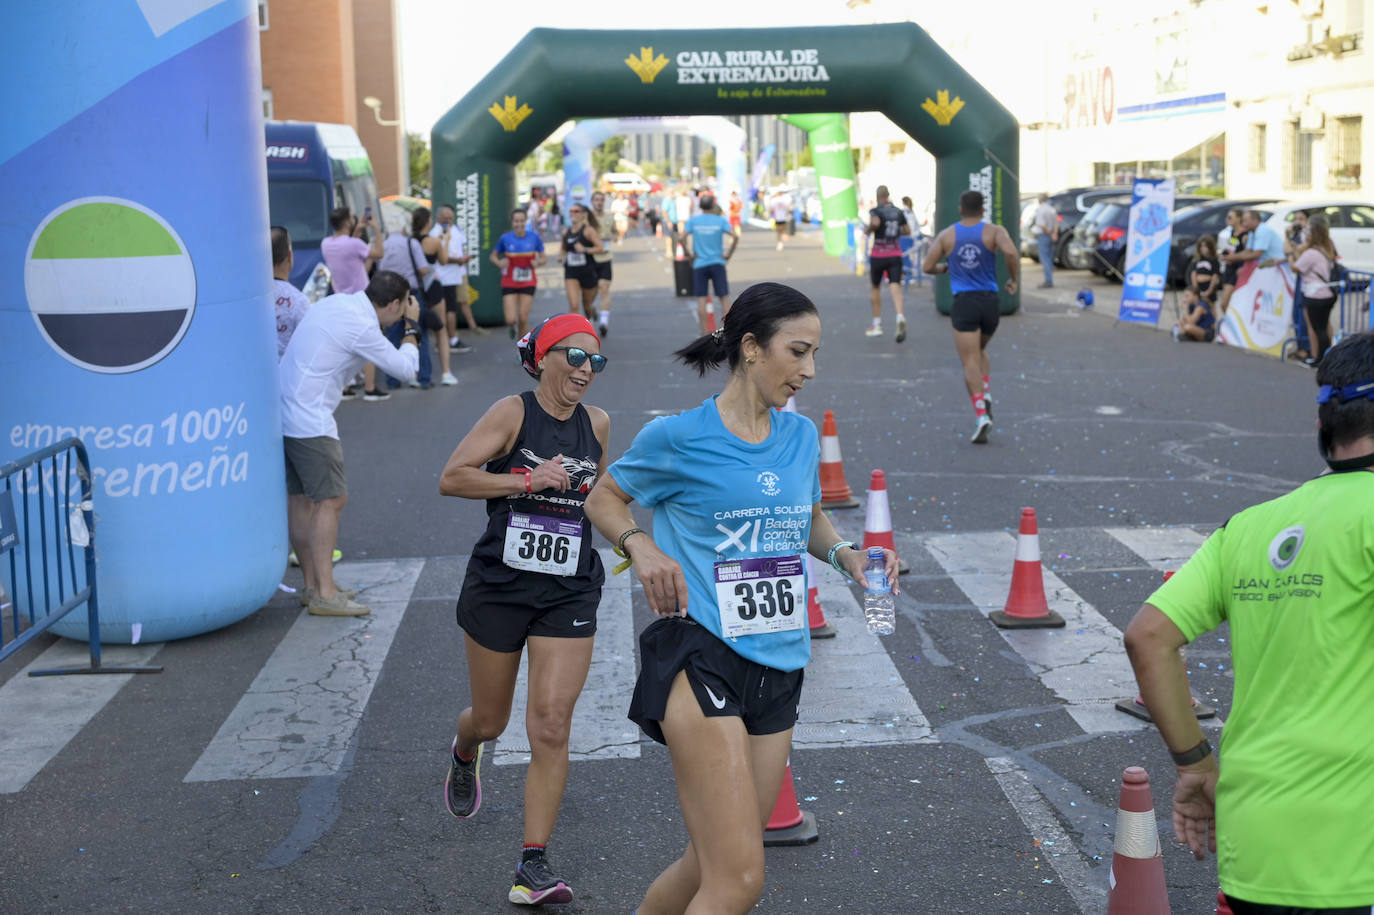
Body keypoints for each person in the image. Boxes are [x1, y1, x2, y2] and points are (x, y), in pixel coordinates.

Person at [583, 283, 899, 914]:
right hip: (701, 652)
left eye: (815, 354)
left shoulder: (801, 436)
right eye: (798, 352)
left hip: (780, 661)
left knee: (709, 863)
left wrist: (848, 558)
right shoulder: (679, 437)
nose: (809, 370)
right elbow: (603, 496)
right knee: (739, 881)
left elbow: (805, 519)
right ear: (751, 348)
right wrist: (640, 547)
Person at [1123, 330, 1374, 915]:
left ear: (1322, 430)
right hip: (1356, 849)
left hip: (1256, 838)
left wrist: (1195, 764)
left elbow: (1148, 636)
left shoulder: (1250, 526)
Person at [436, 314, 609, 908]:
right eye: (576, 357)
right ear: (544, 357)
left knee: (552, 724)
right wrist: (526, 480)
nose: (586, 371)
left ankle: (531, 864)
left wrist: (642, 540)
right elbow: (452, 479)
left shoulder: (599, 425)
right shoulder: (513, 413)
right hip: (502, 585)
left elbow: (600, 499)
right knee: (491, 722)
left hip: (568, 586)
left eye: (596, 361)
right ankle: (465, 749)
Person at [279, 271, 420, 616]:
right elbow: (405, 369)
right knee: (331, 499)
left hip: (284, 411)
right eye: (401, 312)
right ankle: (325, 594)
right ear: (394, 303)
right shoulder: (363, 326)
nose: (399, 318)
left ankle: (313, 586)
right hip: (310, 419)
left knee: (302, 500)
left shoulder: (337, 301)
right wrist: (412, 328)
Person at [922, 190, 1019, 445]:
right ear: (983, 208)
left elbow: (926, 266)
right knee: (979, 351)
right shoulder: (995, 231)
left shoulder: (947, 235)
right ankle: (985, 390)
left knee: (969, 361)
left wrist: (945, 267)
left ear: (960, 208)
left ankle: (980, 415)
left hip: (965, 302)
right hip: (990, 303)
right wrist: (1013, 279)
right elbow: (1011, 253)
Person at [378, 207, 456, 388]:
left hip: (389, 293)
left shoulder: (386, 244)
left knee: (392, 335)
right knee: (419, 332)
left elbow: (380, 269)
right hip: (411, 293)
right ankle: (424, 377)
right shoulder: (410, 244)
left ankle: (392, 379)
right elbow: (423, 269)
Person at [680, 194, 739, 335]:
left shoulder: (694, 221)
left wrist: (689, 255)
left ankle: (704, 332)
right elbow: (735, 236)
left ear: (700, 206)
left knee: (702, 298)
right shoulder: (720, 220)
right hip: (717, 262)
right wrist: (729, 253)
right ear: (713, 206)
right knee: (724, 297)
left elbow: (681, 238)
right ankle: (728, 331)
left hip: (699, 263)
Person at [431, 205, 484, 350]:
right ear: (438, 218)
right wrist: (458, 260)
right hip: (443, 276)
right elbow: (441, 257)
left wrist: (462, 258)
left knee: (451, 308)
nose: (448, 221)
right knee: (449, 310)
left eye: (451, 218)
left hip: (454, 275)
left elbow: (459, 247)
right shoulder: (435, 233)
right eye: (445, 218)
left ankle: (447, 340)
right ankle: (451, 340)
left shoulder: (454, 229)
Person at [862, 185, 911, 342]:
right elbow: (908, 230)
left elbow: (875, 223)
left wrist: (868, 230)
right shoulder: (898, 211)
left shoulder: (876, 210)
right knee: (895, 285)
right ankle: (900, 315)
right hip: (895, 253)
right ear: (888, 196)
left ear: (878, 197)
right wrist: (895, 232)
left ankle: (877, 324)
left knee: (876, 287)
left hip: (879, 254)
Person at [1290, 215, 1341, 367]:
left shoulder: (1311, 253)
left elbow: (1296, 267)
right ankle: (1324, 357)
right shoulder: (1327, 247)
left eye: (1308, 230)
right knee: (1323, 326)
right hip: (1327, 293)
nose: (1306, 232)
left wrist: (1290, 258)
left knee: (1318, 328)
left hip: (1315, 294)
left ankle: (1318, 358)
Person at [491, 208, 546, 339]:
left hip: (528, 281)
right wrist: (499, 263)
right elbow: (493, 256)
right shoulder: (505, 238)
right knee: (510, 319)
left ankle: (521, 348)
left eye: (522, 220)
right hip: (509, 281)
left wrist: (538, 263)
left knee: (523, 317)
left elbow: (544, 258)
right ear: (512, 222)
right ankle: (512, 327)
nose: (519, 224)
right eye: (516, 221)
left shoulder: (534, 238)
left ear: (525, 221)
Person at [271, 226, 309, 359]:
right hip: (288, 377)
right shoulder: (298, 301)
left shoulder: (251, 297)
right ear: (289, 256)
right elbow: (308, 347)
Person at [561, 203, 604, 321]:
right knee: (574, 306)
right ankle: (576, 334)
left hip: (587, 271)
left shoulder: (588, 231)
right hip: (571, 272)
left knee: (587, 306)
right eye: (571, 211)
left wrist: (584, 249)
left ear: (583, 214)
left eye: (576, 211)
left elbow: (600, 248)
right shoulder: (566, 232)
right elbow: (563, 248)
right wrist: (561, 256)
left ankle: (592, 311)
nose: (573, 213)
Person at [1174, 234, 1220, 343]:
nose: (1204, 249)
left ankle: (1213, 330)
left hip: (1209, 289)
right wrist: (1196, 288)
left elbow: (1215, 276)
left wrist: (1210, 290)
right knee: (1184, 321)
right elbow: (1193, 274)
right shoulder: (1197, 260)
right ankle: (1190, 333)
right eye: (1202, 246)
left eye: (1206, 246)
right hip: (1199, 288)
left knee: (1211, 310)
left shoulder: (1214, 261)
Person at [589, 192, 616, 337]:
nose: (599, 202)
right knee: (591, 293)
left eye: (601, 200)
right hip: (591, 259)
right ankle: (593, 311)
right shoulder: (587, 219)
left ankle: (604, 322)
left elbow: (615, 232)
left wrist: (614, 237)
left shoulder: (609, 217)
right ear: (592, 202)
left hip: (606, 258)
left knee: (604, 288)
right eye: (596, 200)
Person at [1215, 208, 1248, 319]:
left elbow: (1247, 253)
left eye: (1230, 217)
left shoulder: (1244, 235)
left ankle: (1234, 325)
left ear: (1238, 219)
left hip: (1238, 270)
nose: (1227, 220)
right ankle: (1232, 325)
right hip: (1229, 269)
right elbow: (1230, 249)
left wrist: (1241, 266)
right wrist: (1222, 255)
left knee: (1226, 303)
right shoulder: (1233, 233)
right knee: (1226, 304)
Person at [1031, 193, 1059, 288]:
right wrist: (1054, 234)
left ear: (1040, 200)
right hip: (1051, 234)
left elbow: (1042, 225)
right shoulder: (1052, 209)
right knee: (1050, 258)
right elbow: (1056, 223)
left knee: (1045, 259)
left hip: (1044, 235)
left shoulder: (1041, 210)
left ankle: (1048, 280)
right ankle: (1049, 278)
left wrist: (1050, 234)